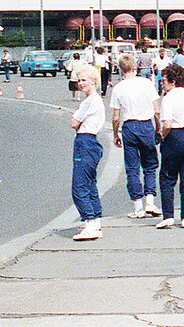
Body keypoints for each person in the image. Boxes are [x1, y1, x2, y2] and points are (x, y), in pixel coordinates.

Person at [109, 53, 161, 219]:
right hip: (146, 125)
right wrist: (158, 129)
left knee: (132, 167)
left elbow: (116, 116)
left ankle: (137, 206)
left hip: (129, 127)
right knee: (150, 165)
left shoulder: (118, 88)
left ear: (120, 69)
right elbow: (157, 111)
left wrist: (116, 133)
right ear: (135, 67)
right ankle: (150, 202)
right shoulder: (147, 83)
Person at [155, 61, 184, 229]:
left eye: (164, 80)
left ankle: (168, 215)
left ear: (172, 81)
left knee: (167, 177)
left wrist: (161, 135)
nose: (162, 83)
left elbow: (167, 124)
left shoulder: (168, 98)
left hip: (174, 137)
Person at [69, 72, 106, 241]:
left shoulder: (89, 101)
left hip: (85, 141)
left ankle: (89, 221)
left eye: (84, 80)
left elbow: (74, 123)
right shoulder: (95, 100)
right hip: (91, 142)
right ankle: (95, 221)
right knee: (90, 183)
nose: (81, 83)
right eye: (79, 80)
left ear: (94, 81)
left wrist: (78, 120)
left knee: (79, 185)